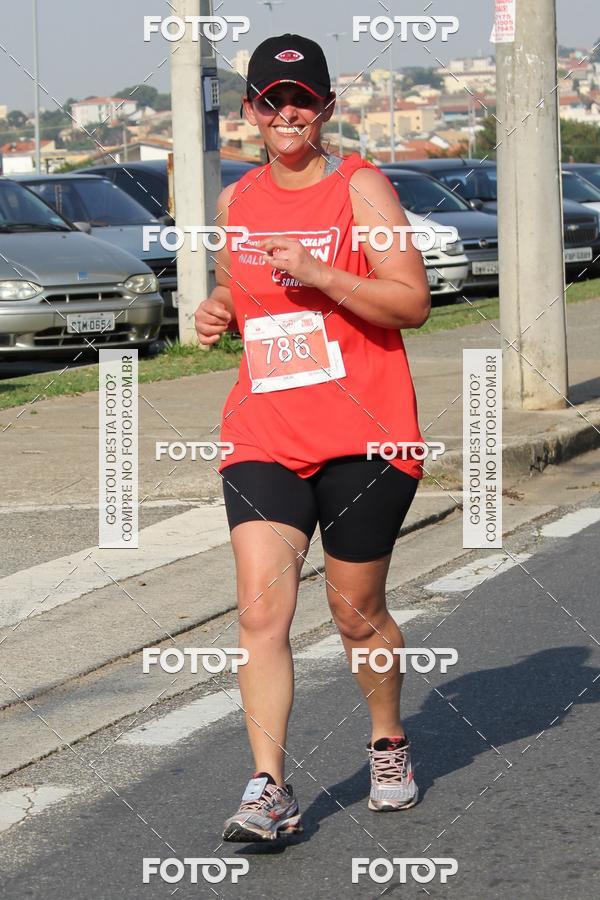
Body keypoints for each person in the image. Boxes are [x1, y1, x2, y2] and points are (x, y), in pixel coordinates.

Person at [194, 33, 431, 843]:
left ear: (326, 107)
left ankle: (388, 743)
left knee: (355, 610)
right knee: (263, 611)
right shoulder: (235, 202)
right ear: (250, 113)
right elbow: (238, 287)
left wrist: (324, 273)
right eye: (271, 100)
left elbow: (411, 303)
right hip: (265, 430)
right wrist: (220, 311)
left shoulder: (361, 188)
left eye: (301, 99)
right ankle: (268, 786)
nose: (286, 112)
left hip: (366, 433)